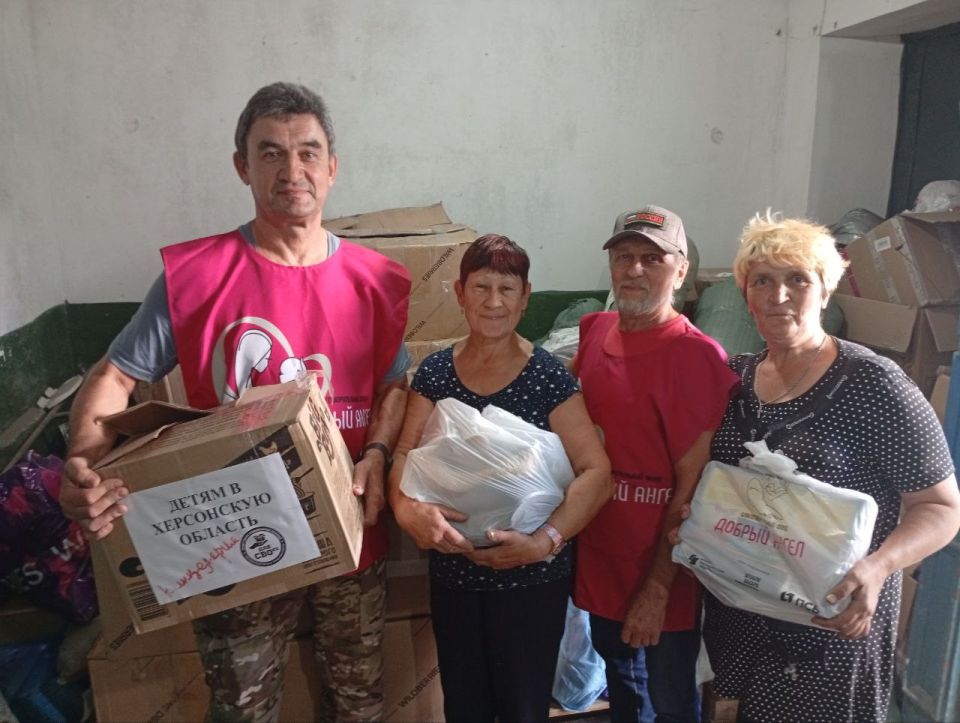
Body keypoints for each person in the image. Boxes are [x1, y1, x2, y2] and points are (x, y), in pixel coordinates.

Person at [58, 82, 412, 722]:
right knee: (242, 710)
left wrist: (380, 452)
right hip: (230, 532)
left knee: (359, 703)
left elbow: (394, 385)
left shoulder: (375, 281)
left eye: (308, 152)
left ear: (333, 167)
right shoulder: (196, 277)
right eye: (270, 153)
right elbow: (115, 376)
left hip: (350, 526)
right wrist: (81, 466)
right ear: (242, 167)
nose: (292, 170)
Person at [701, 211, 960, 723]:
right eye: (762, 281)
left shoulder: (875, 384)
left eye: (798, 279)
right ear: (746, 295)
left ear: (825, 290)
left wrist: (879, 567)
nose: (778, 296)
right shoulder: (735, 379)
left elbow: (941, 508)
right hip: (740, 617)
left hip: (830, 627)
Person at [387, 234, 612, 722]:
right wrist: (407, 511)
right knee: (464, 706)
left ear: (525, 296)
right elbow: (403, 454)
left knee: (522, 708)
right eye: (481, 287)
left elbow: (597, 472)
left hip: (532, 578)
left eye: (507, 289)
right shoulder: (436, 374)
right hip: (454, 573)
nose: (494, 302)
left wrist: (545, 541)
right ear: (459, 292)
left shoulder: (548, 377)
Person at [573, 205, 738, 723]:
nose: (635, 270)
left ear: (681, 271)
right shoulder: (594, 331)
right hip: (601, 558)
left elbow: (694, 489)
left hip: (663, 571)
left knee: (668, 701)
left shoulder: (697, 357)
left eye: (653, 258)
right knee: (622, 688)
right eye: (624, 257)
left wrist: (658, 588)